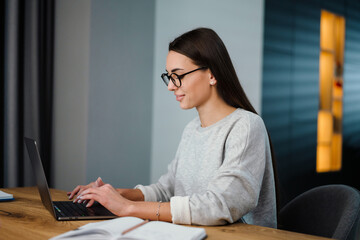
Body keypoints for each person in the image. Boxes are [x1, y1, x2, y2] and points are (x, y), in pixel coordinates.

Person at [68, 27, 277, 228]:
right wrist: (112, 195)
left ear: (212, 75)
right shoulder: (192, 129)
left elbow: (219, 206)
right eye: (169, 76)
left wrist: (129, 208)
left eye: (178, 75)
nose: (171, 86)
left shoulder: (246, 126)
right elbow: (167, 190)